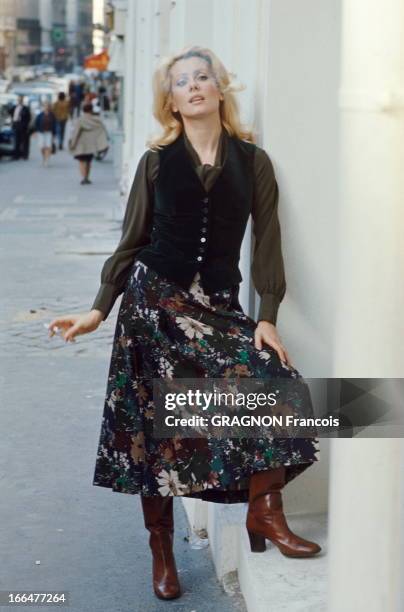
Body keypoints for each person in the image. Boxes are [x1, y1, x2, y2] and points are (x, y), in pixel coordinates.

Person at [48, 46, 321, 601]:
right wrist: (99, 308)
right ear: (170, 102)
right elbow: (133, 242)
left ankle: (264, 512)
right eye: (181, 82)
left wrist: (266, 318)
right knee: (159, 432)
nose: (194, 86)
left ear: (220, 90)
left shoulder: (253, 161)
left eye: (203, 77)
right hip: (153, 305)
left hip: (216, 307)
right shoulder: (156, 161)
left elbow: (268, 242)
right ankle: (161, 549)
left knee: (277, 384)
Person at [68, 103, 108, 184]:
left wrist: (72, 143)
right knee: (89, 162)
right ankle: (87, 177)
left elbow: (76, 133)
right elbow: (102, 131)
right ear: (91, 110)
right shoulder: (97, 120)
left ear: (83, 110)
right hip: (91, 145)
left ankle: (83, 178)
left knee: (82, 161)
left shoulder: (80, 120)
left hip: (81, 145)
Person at [33, 100, 56, 167]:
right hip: (41, 132)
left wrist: (54, 134)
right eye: (45, 106)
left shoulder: (52, 115)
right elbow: (36, 123)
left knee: (48, 146)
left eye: (48, 106)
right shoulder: (40, 115)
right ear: (43, 107)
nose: (46, 107)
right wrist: (35, 132)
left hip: (49, 132)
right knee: (42, 147)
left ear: (49, 107)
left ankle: (46, 160)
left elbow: (54, 124)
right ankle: (44, 157)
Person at [9, 95, 31, 160]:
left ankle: (25, 155)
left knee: (24, 141)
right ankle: (16, 155)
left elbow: (28, 118)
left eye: (20, 100)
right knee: (16, 141)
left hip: (22, 126)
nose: (19, 101)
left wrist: (25, 125)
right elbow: (10, 113)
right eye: (18, 100)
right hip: (15, 125)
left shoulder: (25, 108)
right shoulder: (14, 107)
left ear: (22, 100)